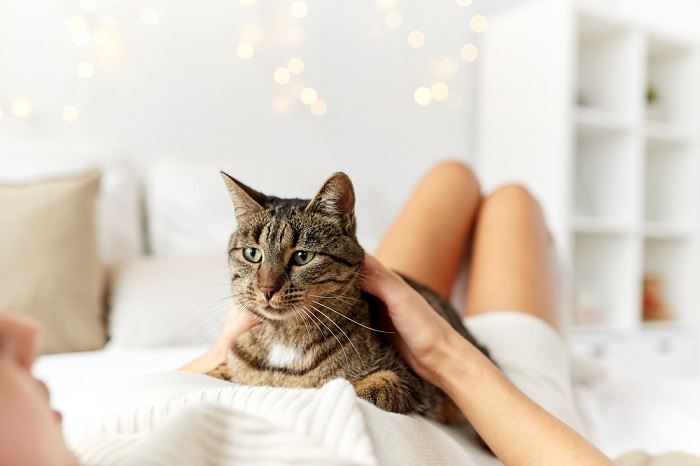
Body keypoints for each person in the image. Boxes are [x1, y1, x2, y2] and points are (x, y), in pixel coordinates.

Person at [0, 161, 613, 465]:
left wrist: (220, 356)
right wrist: (448, 353)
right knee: (511, 200)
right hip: (496, 388)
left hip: (345, 308)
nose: (267, 285)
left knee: (451, 177)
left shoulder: (77, 433)